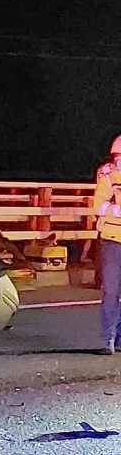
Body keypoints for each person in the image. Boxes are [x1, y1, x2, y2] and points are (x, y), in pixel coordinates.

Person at [94, 134, 121, 354]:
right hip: (112, 241)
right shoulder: (107, 177)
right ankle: (108, 339)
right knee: (110, 292)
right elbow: (98, 206)